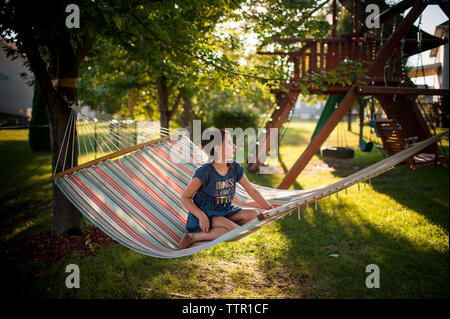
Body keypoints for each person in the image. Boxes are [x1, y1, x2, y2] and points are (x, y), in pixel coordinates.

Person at [178, 129, 273, 249]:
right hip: (206, 216)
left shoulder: (234, 167)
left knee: (255, 215)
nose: (233, 146)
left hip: (226, 211)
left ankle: (223, 228)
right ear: (217, 148)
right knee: (235, 231)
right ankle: (194, 236)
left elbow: (252, 190)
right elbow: (185, 197)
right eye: (229, 142)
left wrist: (269, 209)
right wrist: (201, 215)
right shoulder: (204, 172)